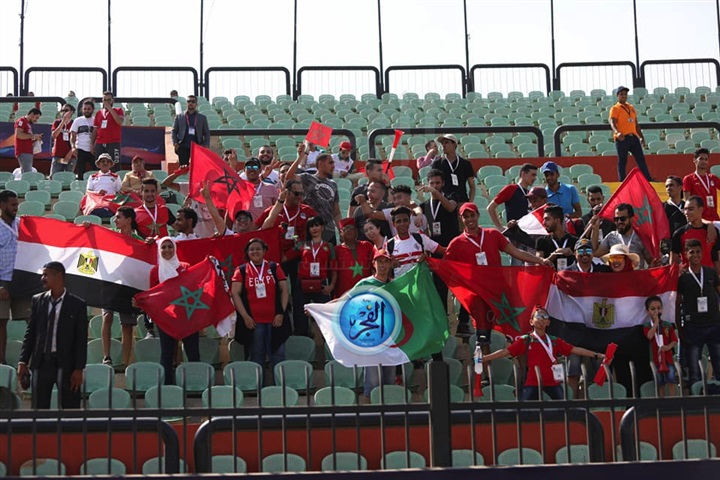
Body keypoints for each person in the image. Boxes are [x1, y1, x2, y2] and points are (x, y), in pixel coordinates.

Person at [446, 202, 551, 338]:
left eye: (472, 215)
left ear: (478, 215)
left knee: (508, 330)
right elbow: (445, 266)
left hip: (498, 291)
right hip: (477, 295)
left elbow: (515, 252)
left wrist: (540, 260)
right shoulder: (456, 243)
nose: (470, 219)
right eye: (466, 217)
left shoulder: (493, 234)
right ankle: (483, 351)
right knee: (483, 335)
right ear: (461, 219)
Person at [482, 306, 604, 401]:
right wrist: (485, 358)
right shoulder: (526, 340)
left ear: (548, 323)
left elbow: (575, 350)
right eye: (538, 316)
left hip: (552, 381)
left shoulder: (554, 341)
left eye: (544, 317)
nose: (541, 319)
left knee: (565, 406)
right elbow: (505, 352)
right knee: (523, 409)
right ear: (531, 321)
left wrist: (596, 355)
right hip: (532, 381)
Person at [17, 262, 88, 409]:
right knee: (39, 410)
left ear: (59, 276)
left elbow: (81, 340)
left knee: (70, 410)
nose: (42, 278)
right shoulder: (38, 300)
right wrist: (23, 361)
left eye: (46, 275)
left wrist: (79, 368)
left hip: (67, 365)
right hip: (42, 363)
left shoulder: (77, 304)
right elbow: (31, 333)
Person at [231, 238, 290, 368]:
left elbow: (284, 291)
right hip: (253, 322)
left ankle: (280, 381)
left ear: (264, 251)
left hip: (275, 320)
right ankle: (258, 381)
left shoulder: (274, 267)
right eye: (251, 249)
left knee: (278, 355)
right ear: (247, 252)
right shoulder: (241, 270)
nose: (255, 251)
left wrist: (281, 313)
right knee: (256, 355)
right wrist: (245, 316)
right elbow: (235, 294)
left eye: (258, 249)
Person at [148, 237, 199, 385]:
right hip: (166, 318)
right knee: (167, 354)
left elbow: (193, 288)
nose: (167, 250)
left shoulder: (186, 267)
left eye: (170, 246)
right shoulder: (155, 271)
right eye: (163, 247)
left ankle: (195, 386)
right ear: (159, 250)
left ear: (175, 249)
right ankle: (168, 388)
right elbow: (152, 294)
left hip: (187, 317)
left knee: (193, 353)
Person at [258, 181, 317, 301]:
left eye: (301, 194)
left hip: (298, 256)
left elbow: (314, 238)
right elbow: (257, 230)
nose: (299, 197)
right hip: (277, 258)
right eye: (296, 193)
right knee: (277, 291)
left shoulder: (308, 212)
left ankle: (299, 313)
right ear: (287, 192)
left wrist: (290, 254)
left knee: (299, 293)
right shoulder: (273, 210)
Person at [101, 206, 143, 366]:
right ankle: (106, 357)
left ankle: (126, 362)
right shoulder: (110, 236)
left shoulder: (138, 241)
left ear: (129, 220)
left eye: (119, 217)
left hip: (128, 286)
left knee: (127, 325)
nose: (115, 219)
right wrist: (87, 227)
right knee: (107, 317)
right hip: (110, 284)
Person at [677, 238, 720, 386]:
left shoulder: (710, 272)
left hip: (714, 324)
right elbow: (677, 302)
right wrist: (679, 325)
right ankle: (695, 395)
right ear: (686, 254)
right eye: (691, 252)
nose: (695, 255)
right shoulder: (683, 277)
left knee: (718, 361)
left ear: (702, 253)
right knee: (694, 365)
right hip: (693, 326)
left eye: (698, 252)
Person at [355, 249, 397, 396]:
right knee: (372, 381)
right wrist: (318, 308)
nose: (383, 265)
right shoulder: (365, 283)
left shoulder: (396, 285)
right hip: (371, 338)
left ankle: (389, 409)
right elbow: (345, 302)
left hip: (391, 338)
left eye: (386, 261)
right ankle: (370, 409)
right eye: (379, 262)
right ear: (374, 264)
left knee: (389, 379)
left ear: (391, 264)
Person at [0, 190, 31, 365]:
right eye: (12, 205)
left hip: (21, 280)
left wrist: (82, 228)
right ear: (2, 205)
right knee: (1, 322)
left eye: (17, 205)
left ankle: (33, 361)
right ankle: (1, 363)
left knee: (32, 321)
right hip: (2, 282)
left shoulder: (22, 224)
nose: (15, 208)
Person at [288, 145, 341, 244]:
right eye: (330, 163)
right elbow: (289, 177)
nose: (333, 166)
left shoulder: (333, 184)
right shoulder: (307, 178)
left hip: (329, 230)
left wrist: (340, 230)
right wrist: (300, 157)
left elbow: (336, 212)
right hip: (311, 229)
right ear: (320, 163)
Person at [293, 216, 337, 336]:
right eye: (311, 226)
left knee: (324, 315)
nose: (314, 228)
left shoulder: (329, 246)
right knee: (300, 315)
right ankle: (303, 338)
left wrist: (331, 286)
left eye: (317, 225)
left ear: (322, 227)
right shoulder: (302, 245)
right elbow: (288, 255)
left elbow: (334, 269)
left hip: (321, 284)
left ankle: (325, 340)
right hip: (302, 284)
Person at [385, 206, 444, 278]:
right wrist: (391, 266)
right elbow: (383, 272)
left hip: (421, 283)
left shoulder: (420, 238)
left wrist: (427, 260)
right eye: (398, 221)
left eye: (405, 220)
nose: (402, 224)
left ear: (409, 222)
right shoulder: (389, 244)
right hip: (401, 284)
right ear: (394, 224)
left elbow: (443, 251)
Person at [609, 86, 652, 181]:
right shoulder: (615, 108)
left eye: (625, 94)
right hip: (622, 137)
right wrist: (617, 132)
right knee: (622, 160)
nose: (624, 96)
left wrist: (641, 137)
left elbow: (636, 124)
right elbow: (612, 122)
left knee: (641, 159)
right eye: (621, 94)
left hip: (633, 137)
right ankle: (622, 181)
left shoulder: (631, 107)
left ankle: (648, 179)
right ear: (617, 95)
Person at [593, 203, 652, 269]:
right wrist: (595, 229)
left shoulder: (641, 237)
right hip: (617, 275)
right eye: (616, 219)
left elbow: (651, 262)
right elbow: (596, 254)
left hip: (636, 275)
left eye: (622, 219)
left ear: (631, 219)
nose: (619, 222)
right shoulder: (611, 237)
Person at [670, 196, 720, 269]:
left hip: (709, 275)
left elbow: (716, 258)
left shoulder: (712, 232)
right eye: (685, 209)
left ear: (701, 210)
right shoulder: (679, 233)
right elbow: (673, 262)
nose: (686, 213)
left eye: (691, 209)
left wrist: (717, 275)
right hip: (688, 275)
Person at [359, 184, 426, 237]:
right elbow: (371, 215)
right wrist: (363, 201)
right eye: (394, 199)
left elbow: (426, 234)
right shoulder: (391, 212)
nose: (397, 201)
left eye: (399, 198)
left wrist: (419, 214)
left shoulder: (420, 215)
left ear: (409, 197)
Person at [643, 295, 678, 397]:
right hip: (655, 359)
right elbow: (650, 336)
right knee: (659, 382)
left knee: (671, 379)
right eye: (653, 309)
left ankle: (673, 399)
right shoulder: (647, 326)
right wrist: (656, 323)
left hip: (668, 359)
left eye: (658, 308)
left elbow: (674, 340)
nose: (656, 311)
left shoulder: (667, 325)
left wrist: (668, 347)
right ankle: (661, 400)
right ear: (648, 311)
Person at [488, 163, 537, 230]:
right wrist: (499, 227)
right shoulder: (511, 189)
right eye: (533, 175)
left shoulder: (529, 193)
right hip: (514, 232)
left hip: (527, 231)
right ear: (523, 174)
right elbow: (490, 207)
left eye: (535, 175)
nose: (535, 178)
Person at [334, 218, 374, 298]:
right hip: (344, 295)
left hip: (367, 292)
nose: (349, 231)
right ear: (341, 233)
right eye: (346, 229)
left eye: (351, 228)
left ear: (356, 231)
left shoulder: (367, 246)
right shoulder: (336, 250)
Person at [430, 134, 476, 203]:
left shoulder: (465, 163)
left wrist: (470, 202)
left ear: (454, 145)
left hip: (462, 201)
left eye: (446, 142)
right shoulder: (437, 163)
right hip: (444, 202)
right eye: (442, 143)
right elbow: (433, 185)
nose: (443, 145)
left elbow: (472, 186)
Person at [420, 169, 460, 248]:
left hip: (452, 243)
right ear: (428, 184)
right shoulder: (424, 205)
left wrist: (435, 192)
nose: (435, 186)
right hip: (435, 246)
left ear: (443, 183)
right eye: (432, 183)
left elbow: (450, 207)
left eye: (438, 183)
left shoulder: (452, 196)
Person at [535, 205, 578, 270]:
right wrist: (552, 256)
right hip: (550, 276)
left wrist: (572, 255)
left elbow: (583, 264)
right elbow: (538, 267)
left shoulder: (575, 241)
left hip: (570, 276)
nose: (544, 223)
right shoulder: (541, 241)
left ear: (557, 220)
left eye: (547, 219)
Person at [172, 95, 210, 166]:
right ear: (186, 103)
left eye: (193, 101)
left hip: (197, 147)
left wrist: (205, 144)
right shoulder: (179, 117)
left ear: (196, 104)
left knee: (197, 168)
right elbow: (174, 131)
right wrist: (175, 142)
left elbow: (207, 132)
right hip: (183, 147)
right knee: (184, 169)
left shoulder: (202, 118)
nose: (190, 103)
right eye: (188, 101)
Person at [682, 148, 720, 221]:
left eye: (706, 159)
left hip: (715, 219)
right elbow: (687, 201)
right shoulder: (689, 179)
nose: (704, 161)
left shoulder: (713, 178)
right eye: (701, 159)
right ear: (694, 160)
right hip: (699, 220)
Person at [92, 91, 124, 165]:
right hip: (100, 142)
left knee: (115, 165)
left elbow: (120, 122)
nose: (107, 102)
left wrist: (110, 108)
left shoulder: (118, 110)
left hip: (113, 142)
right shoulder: (99, 113)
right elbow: (95, 129)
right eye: (105, 100)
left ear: (113, 100)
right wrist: (92, 144)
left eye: (109, 100)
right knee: (99, 164)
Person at [70, 100, 96, 177]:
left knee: (96, 170)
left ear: (92, 109)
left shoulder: (96, 120)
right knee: (80, 171)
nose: (86, 111)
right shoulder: (77, 120)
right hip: (80, 148)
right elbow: (73, 135)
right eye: (85, 109)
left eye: (88, 109)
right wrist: (73, 147)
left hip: (93, 149)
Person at [14, 107, 42, 174]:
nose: (36, 120)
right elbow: (18, 134)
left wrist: (35, 138)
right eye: (36, 117)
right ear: (32, 114)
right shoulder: (21, 121)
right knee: (27, 173)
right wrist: (33, 136)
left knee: (27, 172)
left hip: (28, 151)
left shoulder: (28, 124)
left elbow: (27, 138)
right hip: (23, 151)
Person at [50, 104, 76, 175]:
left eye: (66, 110)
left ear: (71, 112)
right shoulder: (57, 123)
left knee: (68, 177)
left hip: (70, 156)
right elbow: (54, 135)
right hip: (58, 155)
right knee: (54, 176)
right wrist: (63, 122)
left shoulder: (74, 123)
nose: (64, 112)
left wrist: (70, 154)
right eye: (62, 110)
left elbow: (77, 141)